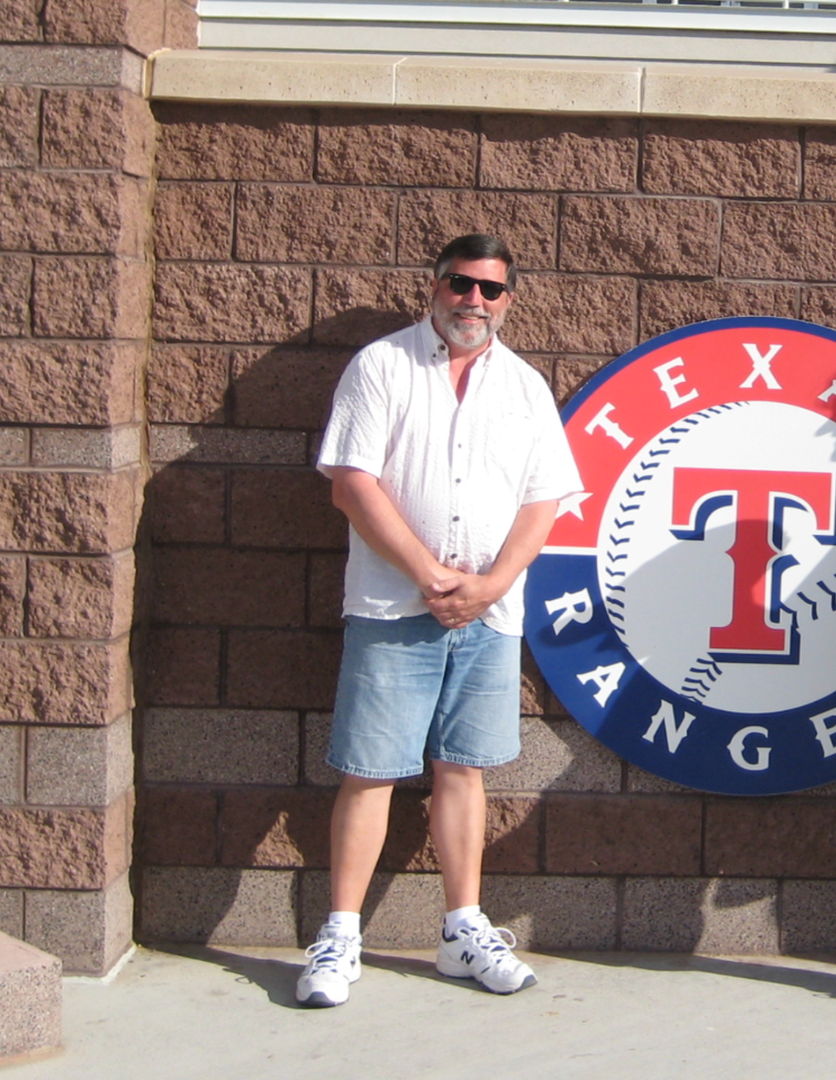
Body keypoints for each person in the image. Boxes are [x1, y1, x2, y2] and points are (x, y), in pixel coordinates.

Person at [298, 234, 581, 1008]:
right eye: (461, 285)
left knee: (465, 770)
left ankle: (461, 931)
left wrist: (488, 586)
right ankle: (341, 936)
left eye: (491, 291)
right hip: (394, 608)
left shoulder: (525, 387)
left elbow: (544, 501)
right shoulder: (382, 366)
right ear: (434, 287)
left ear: (509, 300)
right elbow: (351, 485)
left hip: (488, 618)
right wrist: (431, 575)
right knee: (369, 772)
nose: (474, 302)